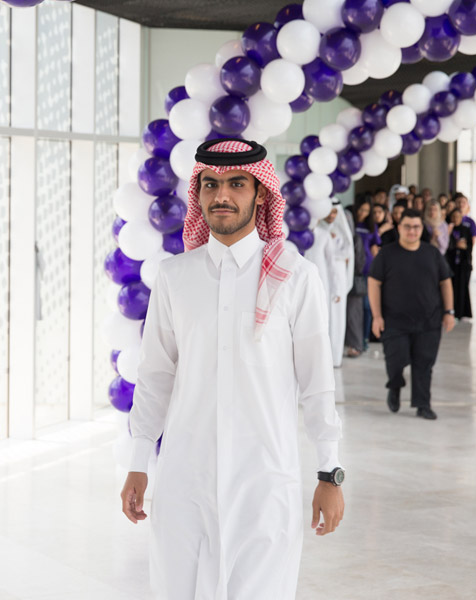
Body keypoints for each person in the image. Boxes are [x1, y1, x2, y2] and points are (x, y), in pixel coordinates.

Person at [121, 139, 345, 600]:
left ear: (260, 193)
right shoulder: (175, 277)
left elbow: (317, 383)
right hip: (186, 478)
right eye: (211, 184)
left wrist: (330, 472)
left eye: (236, 184)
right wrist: (138, 464)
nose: (222, 195)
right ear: (198, 193)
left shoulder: (295, 276)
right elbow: (155, 375)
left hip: (264, 480)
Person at [369, 209, 456, 420]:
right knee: (396, 360)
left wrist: (449, 312)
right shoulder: (386, 254)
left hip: (429, 320)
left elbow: (445, 283)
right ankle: (395, 386)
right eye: (407, 226)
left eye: (416, 227)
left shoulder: (432, 253)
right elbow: (374, 284)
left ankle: (422, 404)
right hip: (394, 321)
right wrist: (377, 316)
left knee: (424, 363)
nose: (412, 231)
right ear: (399, 228)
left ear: (421, 229)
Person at [307, 201, 354, 368]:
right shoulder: (307, 233)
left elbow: (332, 264)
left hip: (324, 282)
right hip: (307, 281)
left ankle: (328, 358)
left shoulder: (327, 235)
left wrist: (335, 288)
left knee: (325, 319)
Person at [350, 205, 381, 353]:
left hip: (368, 269)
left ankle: (365, 337)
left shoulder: (371, 226)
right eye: (360, 209)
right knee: (355, 307)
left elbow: (376, 245)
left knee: (367, 306)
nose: (363, 213)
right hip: (352, 270)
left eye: (366, 211)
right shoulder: (351, 223)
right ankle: (354, 339)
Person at [446, 208, 474, 320]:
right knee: (451, 287)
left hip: (463, 263)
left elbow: (469, 246)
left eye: (458, 217)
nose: (456, 219)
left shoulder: (466, 230)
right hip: (451, 263)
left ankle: (462, 312)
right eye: (453, 217)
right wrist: (455, 246)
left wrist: (464, 247)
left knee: (463, 287)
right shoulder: (448, 229)